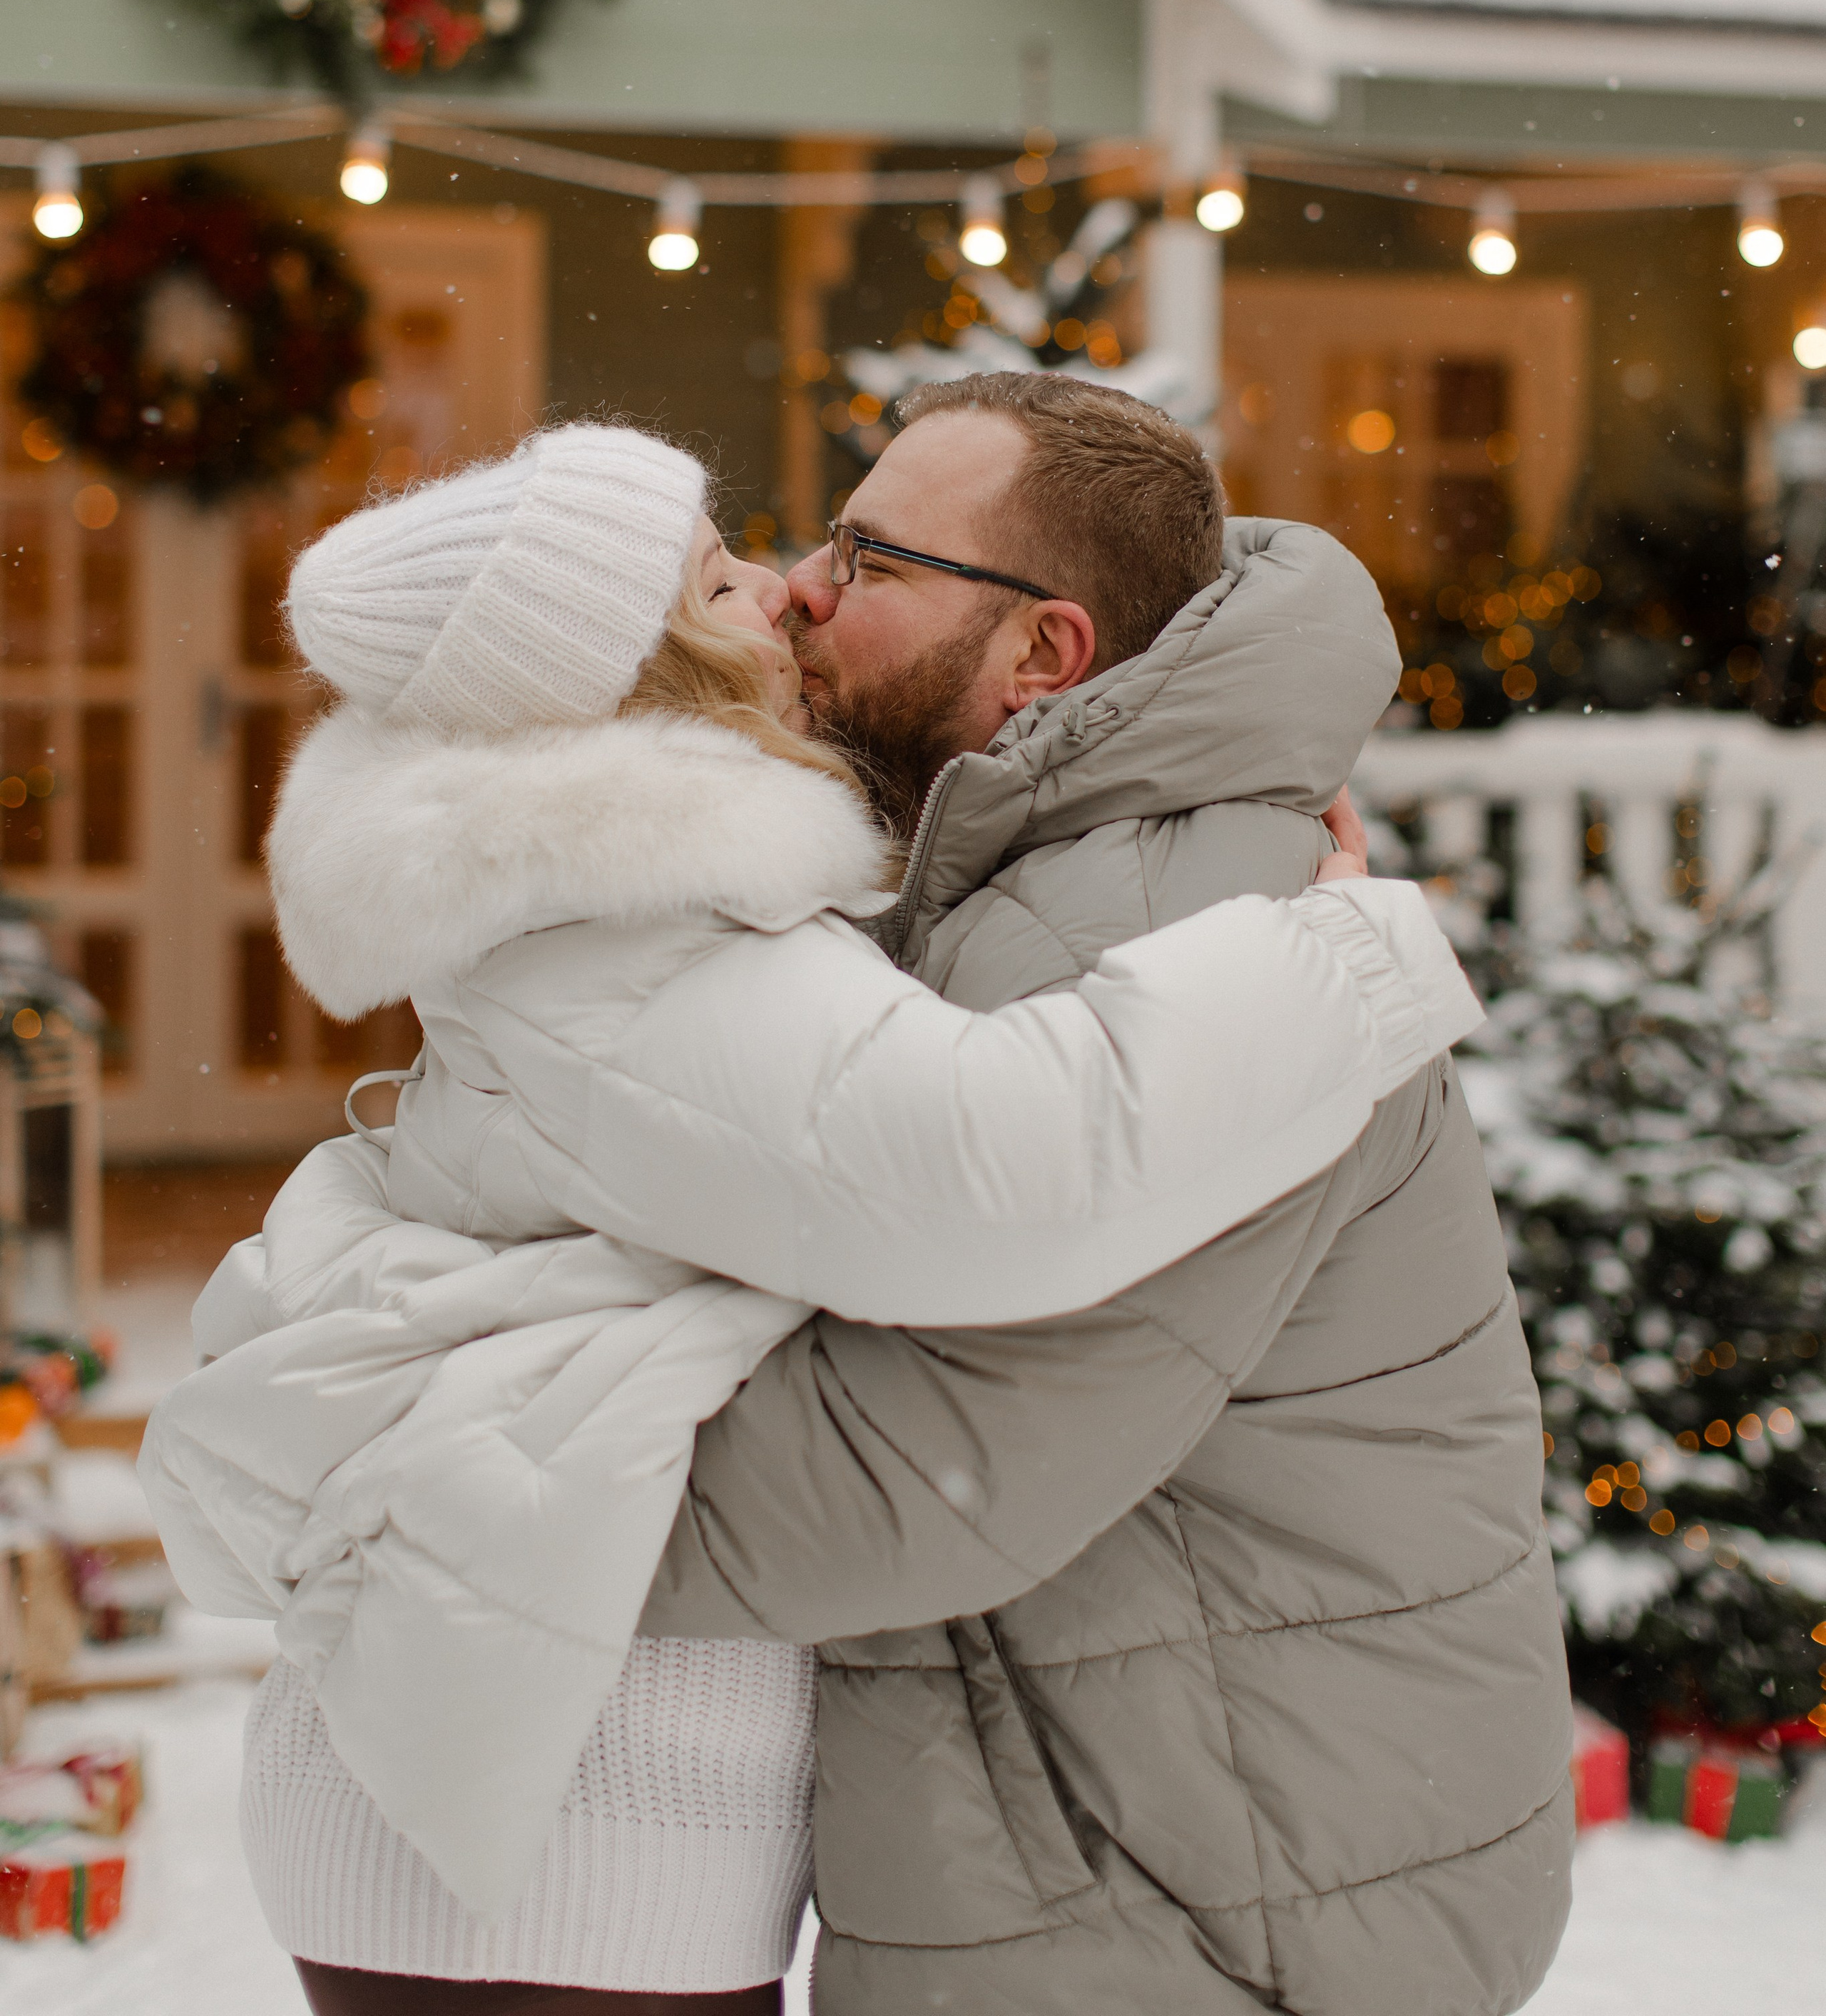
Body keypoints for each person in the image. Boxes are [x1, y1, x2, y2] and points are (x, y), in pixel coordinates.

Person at [140, 419, 1476, 2016]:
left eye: (847, 556)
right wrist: (1346, 959)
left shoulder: (664, 905)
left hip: (551, 1777)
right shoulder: (637, 927)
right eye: (723, 579)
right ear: (633, 679)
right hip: (546, 1833)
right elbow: (987, 1173)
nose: (781, 589)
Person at [635, 369, 1576, 2016]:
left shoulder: (1129, 927)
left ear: (1043, 656)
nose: (797, 586)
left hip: (1206, 1907)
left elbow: (904, 1480)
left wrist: (424, 1479)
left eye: (868, 558)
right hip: (1182, 1844)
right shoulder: (1072, 881)